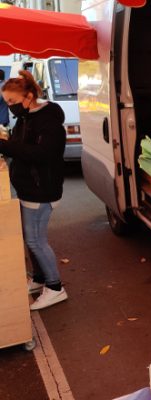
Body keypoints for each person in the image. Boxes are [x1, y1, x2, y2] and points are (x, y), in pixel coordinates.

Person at [0, 70, 68, 310]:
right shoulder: (26, 117)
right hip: (29, 188)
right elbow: (20, 146)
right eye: (6, 102)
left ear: (28, 96)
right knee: (31, 240)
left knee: (36, 240)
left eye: (12, 101)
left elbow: (42, 155)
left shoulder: (49, 121)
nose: (10, 107)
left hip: (42, 190)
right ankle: (39, 279)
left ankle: (55, 287)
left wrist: (5, 145)